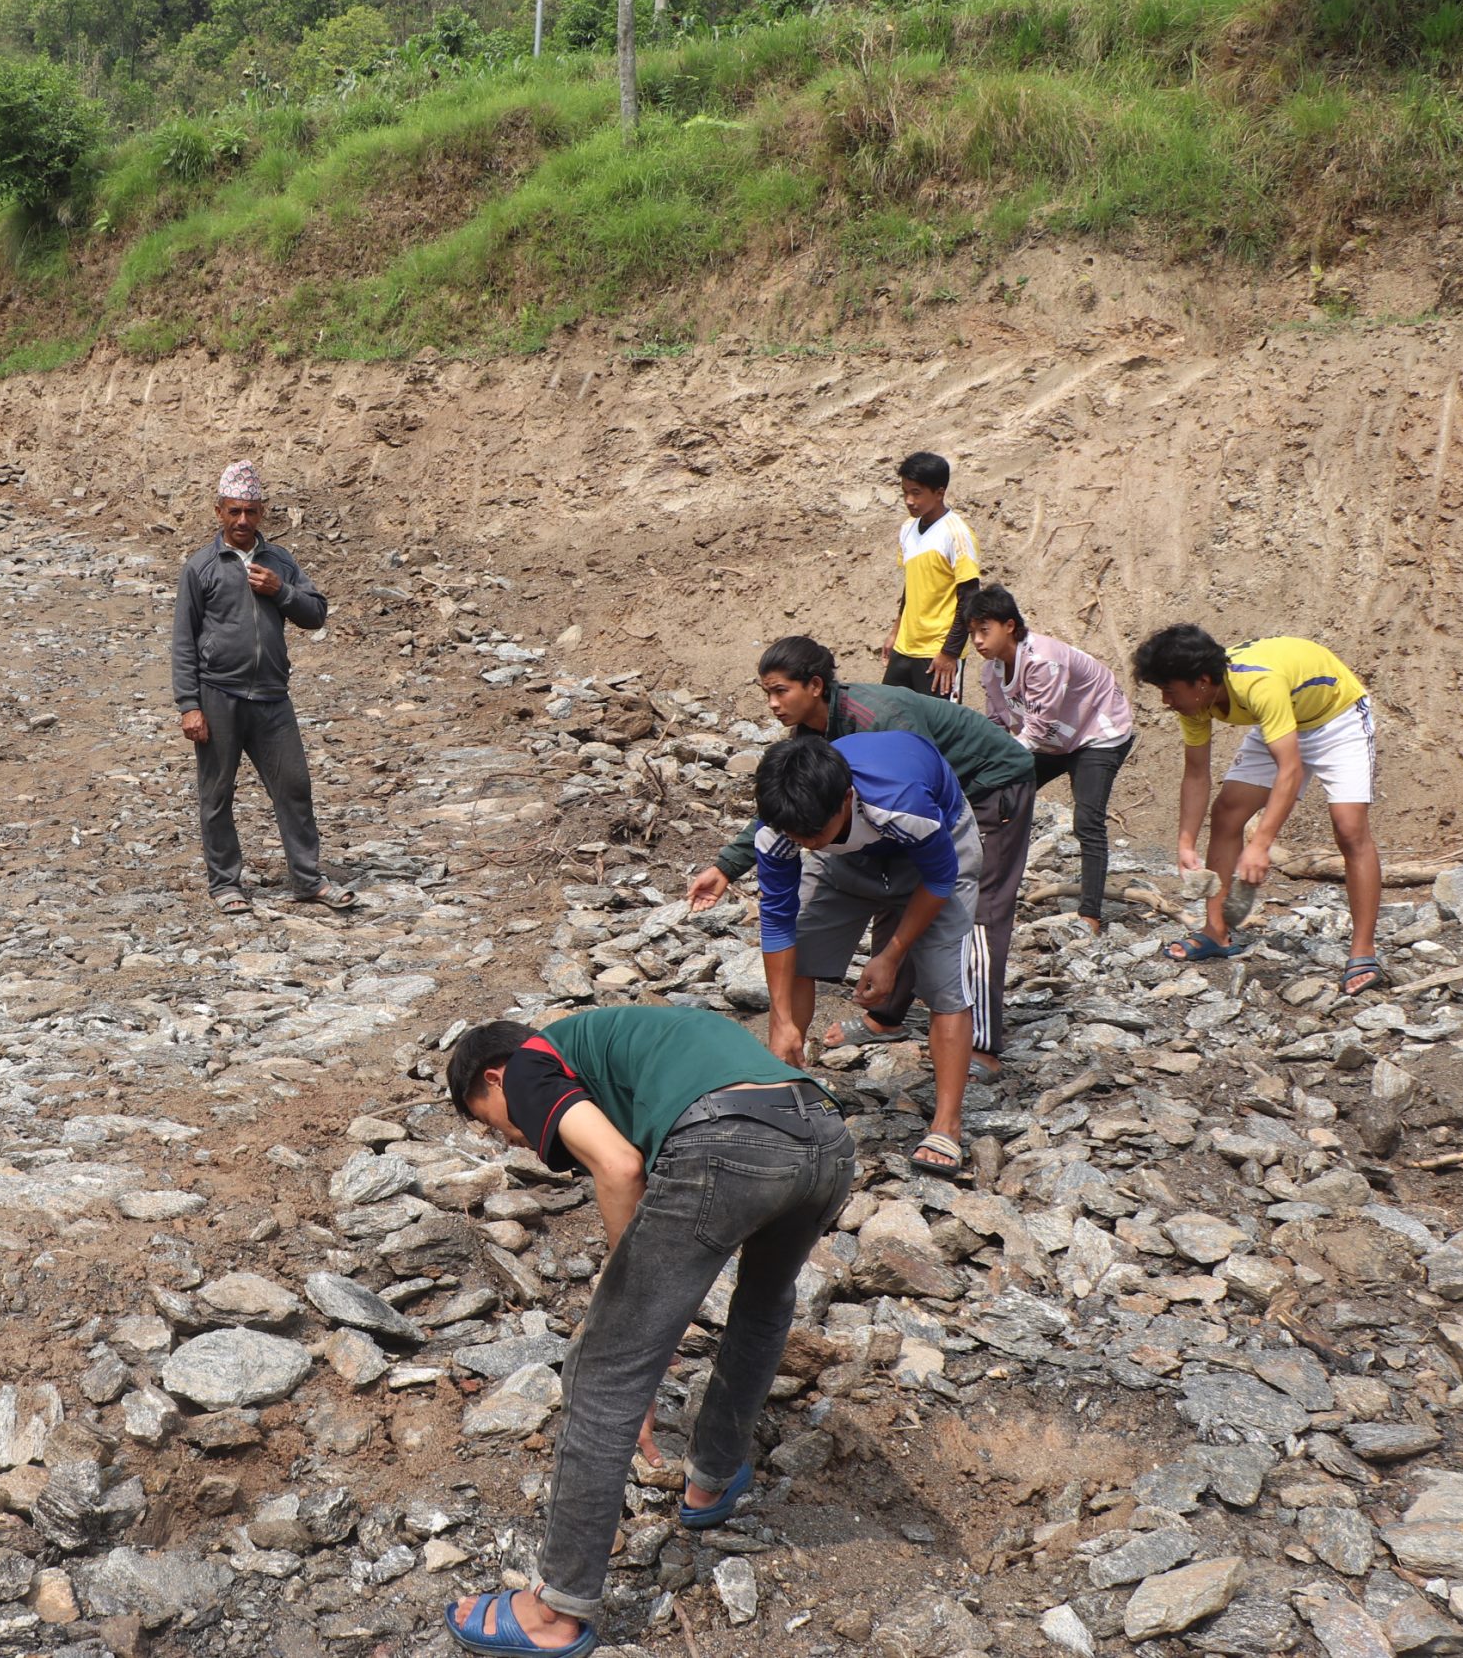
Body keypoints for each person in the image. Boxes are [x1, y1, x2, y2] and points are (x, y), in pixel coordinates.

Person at [439, 1006, 853, 1658]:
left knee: (605, 1371)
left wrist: (625, 1302)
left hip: (727, 1139)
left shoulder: (527, 1062)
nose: (512, 1139)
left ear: (492, 1078)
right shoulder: (624, 1037)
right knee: (764, 1304)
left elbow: (620, 1166)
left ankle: (555, 1611)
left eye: (494, 1122)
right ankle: (712, 1479)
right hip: (825, 1136)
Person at [686, 636, 1032, 1080]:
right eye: (766, 693)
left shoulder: (882, 720)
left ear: (814, 685)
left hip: (985, 784)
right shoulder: (810, 736)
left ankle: (981, 1044)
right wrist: (727, 866)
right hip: (905, 808)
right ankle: (886, 1015)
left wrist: (896, 949)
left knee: (975, 909)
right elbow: (792, 808)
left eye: (780, 691)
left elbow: (919, 782)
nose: (772, 704)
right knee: (891, 889)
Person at [751, 732, 980, 1181]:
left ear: (846, 799)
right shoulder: (784, 825)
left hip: (935, 848)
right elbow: (777, 920)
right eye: (797, 837)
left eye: (812, 834)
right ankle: (785, 1092)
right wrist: (782, 1019)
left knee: (945, 985)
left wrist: (891, 954)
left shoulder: (902, 804)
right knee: (801, 954)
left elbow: (939, 880)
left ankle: (946, 1125)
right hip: (847, 860)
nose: (805, 844)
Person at [1130, 624, 1382, 994]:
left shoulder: (1258, 684)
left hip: (1336, 718)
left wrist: (1261, 844)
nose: (1166, 700)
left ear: (1202, 681)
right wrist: (1185, 842)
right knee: (1228, 811)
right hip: (1281, 720)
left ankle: (1363, 950)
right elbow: (1196, 774)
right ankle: (1215, 931)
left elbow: (1289, 770)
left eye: (1169, 690)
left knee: (1349, 828)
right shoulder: (1195, 701)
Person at [170, 460, 355, 914]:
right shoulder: (201, 567)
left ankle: (308, 880)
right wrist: (189, 705)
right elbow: (183, 640)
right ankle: (225, 885)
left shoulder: (280, 562)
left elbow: (316, 614)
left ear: (262, 513)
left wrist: (281, 591)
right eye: (234, 511)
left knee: (294, 786)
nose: (242, 520)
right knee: (217, 794)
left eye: (250, 511)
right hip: (219, 695)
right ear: (218, 511)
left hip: (272, 697)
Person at [966, 584, 1136, 934]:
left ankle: (1090, 916)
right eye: (972, 634)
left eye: (984, 630)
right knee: (998, 795)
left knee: (1087, 820)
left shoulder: (1043, 660)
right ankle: (988, 894)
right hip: (1054, 740)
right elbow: (997, 725)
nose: (978, 641)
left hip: (1098, 732)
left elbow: (1038, 728)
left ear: (1009, 626)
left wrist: (1000, 763)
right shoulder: (991, 671)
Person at [883, 451, 981, 699]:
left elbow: (970, 598)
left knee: (937, 721)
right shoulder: (907, 528)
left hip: (937, 653)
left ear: (939, 493)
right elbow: (911, 587)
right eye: (905, 492)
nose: (909, 500)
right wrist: (895, 632)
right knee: (888, 714)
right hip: (905, 647)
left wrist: (949, 653)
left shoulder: (956, 533)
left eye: (916, 493)